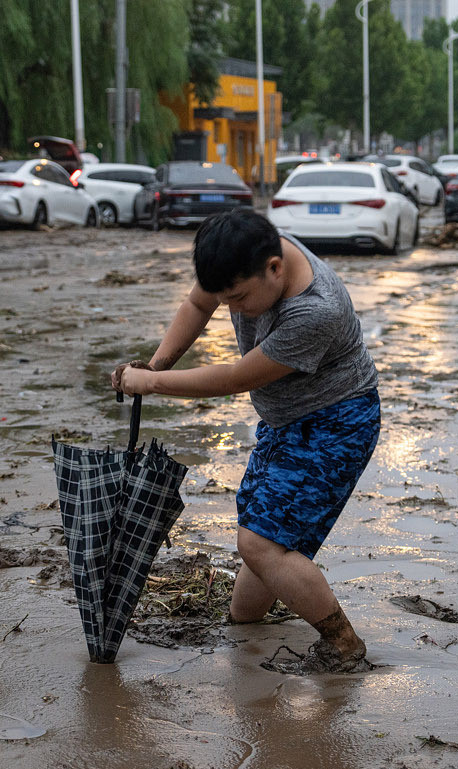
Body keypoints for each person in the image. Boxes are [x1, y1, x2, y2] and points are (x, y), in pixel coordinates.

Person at [110, 210, 380, 674]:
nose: (231, 309)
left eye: (237, 298)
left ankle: (343, 643)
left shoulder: (316, 310)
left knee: (260, 542)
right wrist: (155, 365)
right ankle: (243, 629)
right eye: (224, 297)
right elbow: (198, 305)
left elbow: (235, 377)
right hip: (284, 420)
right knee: (261, 530)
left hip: (335, 423)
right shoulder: (246, 253)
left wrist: (151, 386)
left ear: (275, 268)